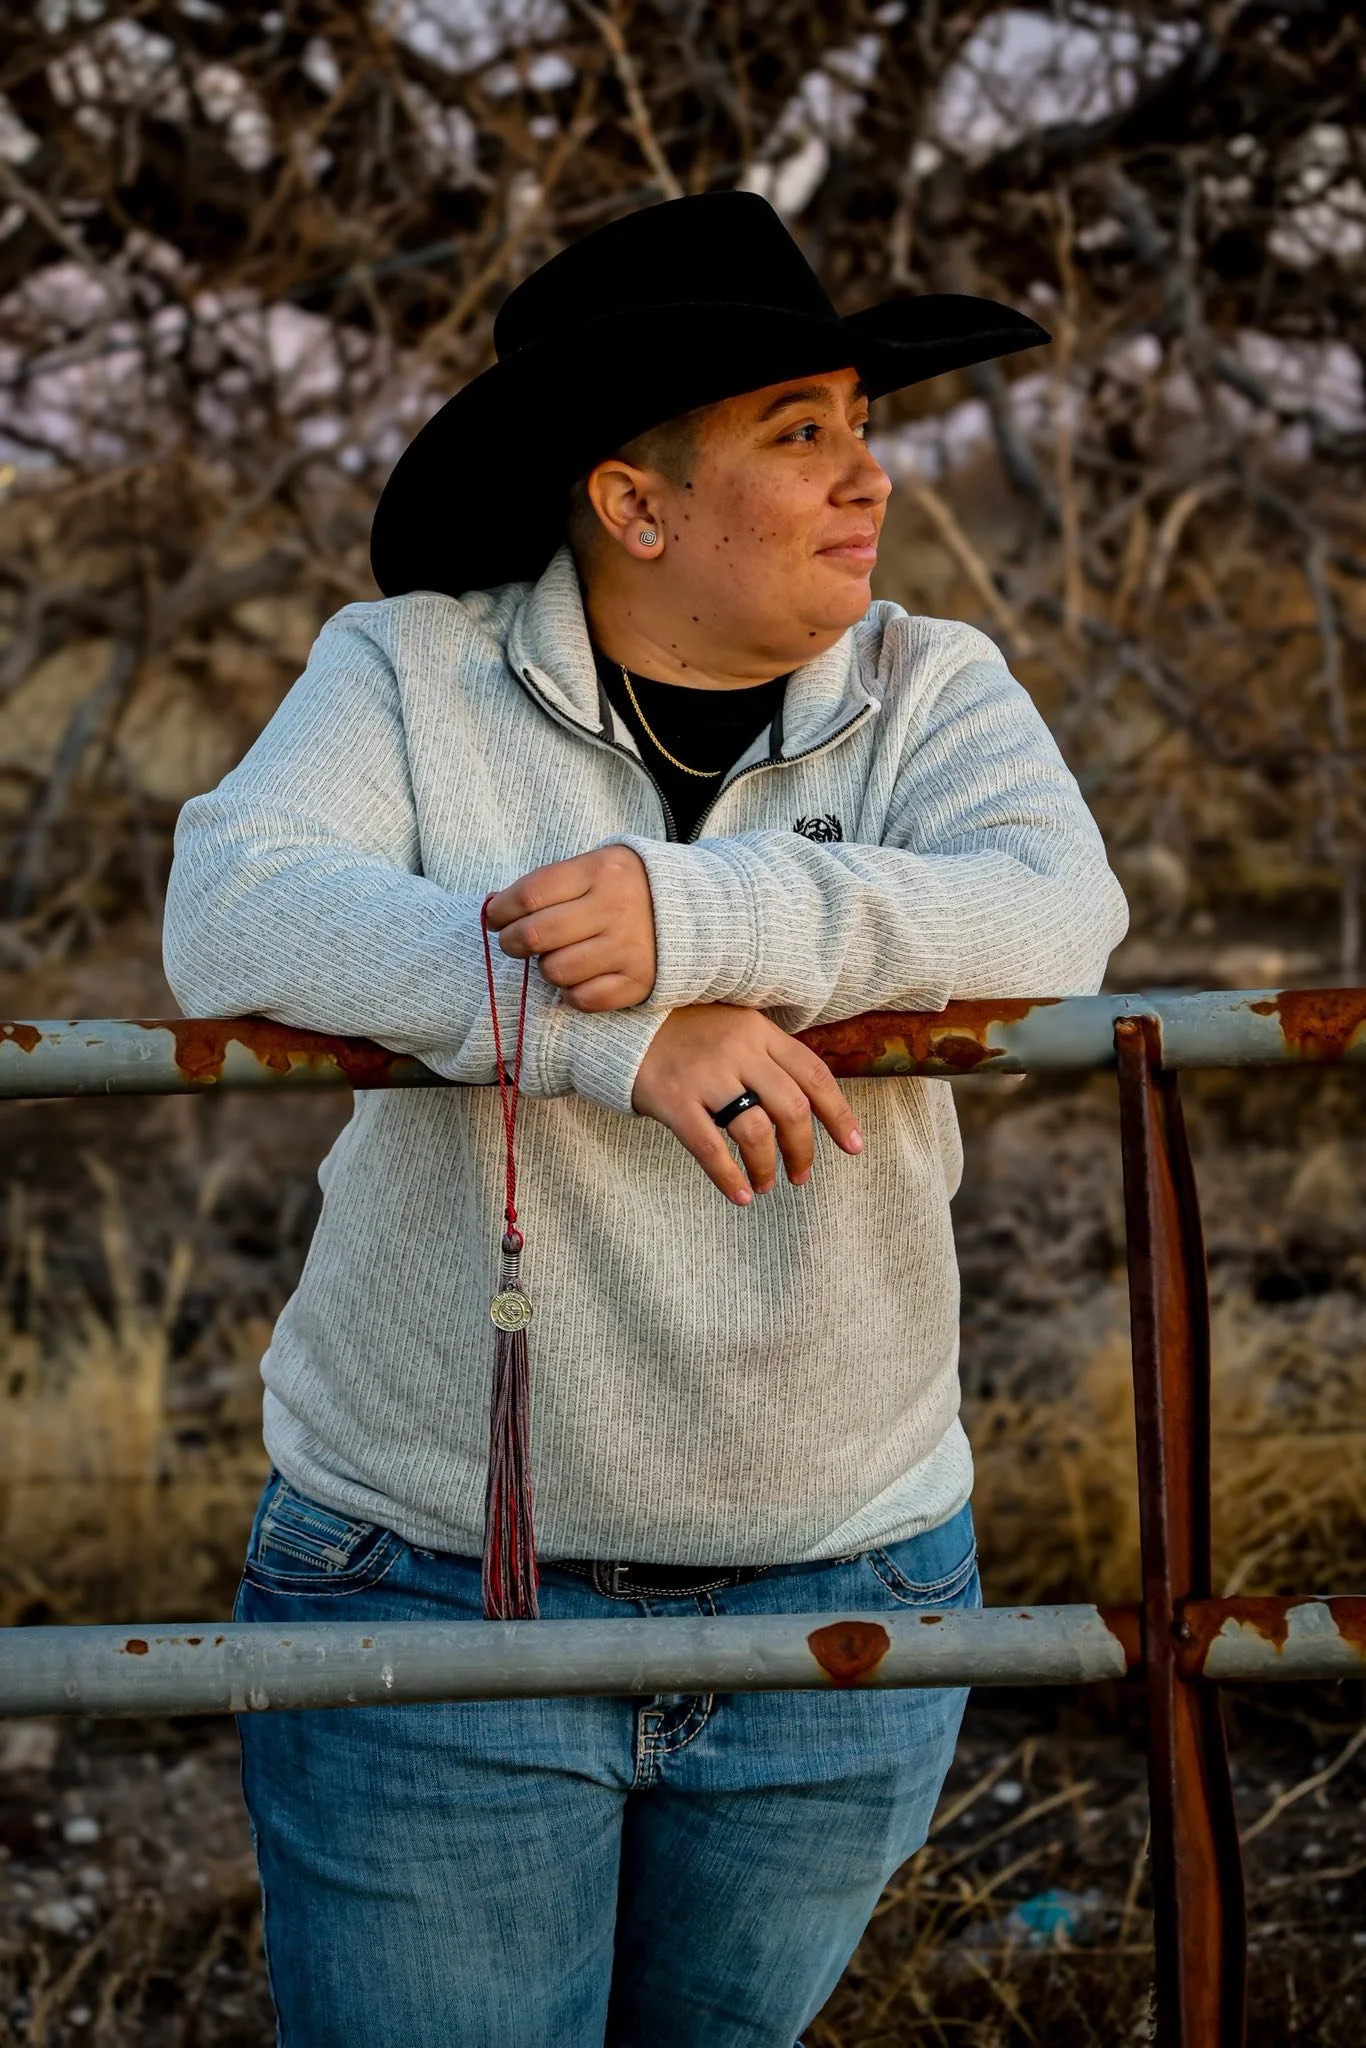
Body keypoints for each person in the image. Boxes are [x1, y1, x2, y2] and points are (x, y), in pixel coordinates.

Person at [163, 191, 1127, 2048]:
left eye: (862, 422)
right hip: (433, 1597)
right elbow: (233, 905)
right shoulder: (407, 670)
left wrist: (695, 923)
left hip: (849, 1590)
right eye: (802, 432)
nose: (871, 480)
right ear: (631, 502)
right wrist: (608, 1034)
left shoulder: (932, 686)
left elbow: (1054, 914)